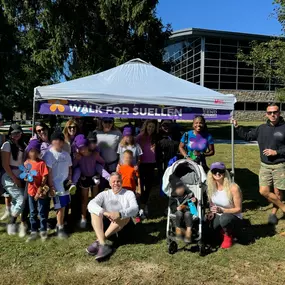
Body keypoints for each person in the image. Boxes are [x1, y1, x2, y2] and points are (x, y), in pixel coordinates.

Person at [233, 103, 285, 225]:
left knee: (278, 193)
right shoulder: (261, 128)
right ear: (266, 114)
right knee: (263, 191)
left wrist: (276, 152)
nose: (273, 115)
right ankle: (283, 207)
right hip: (265, 165)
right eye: (270, 113)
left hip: (280, 165)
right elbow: (247, 136)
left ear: (279, 113)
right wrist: (237, 127)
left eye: (275, 112)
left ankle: (273, 213)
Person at [86, 172, 138, 260]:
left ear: (122, 182)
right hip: (108, 225)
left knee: (125, 216)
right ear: (110, 183)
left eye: (118, 181)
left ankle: (98, 241)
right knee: (94, 212)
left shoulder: (129, 193)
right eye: (113, 182)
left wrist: (120, 214)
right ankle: (102, 244)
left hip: (124, 227)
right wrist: (105, 213)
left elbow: (135, 208)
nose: (116, 184)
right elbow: (90, 204)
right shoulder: (104, 194)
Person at [73, 134, 109, 229]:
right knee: (84, 199)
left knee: (95, 198)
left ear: (87, 146)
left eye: (84, 148)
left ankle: (96, 217)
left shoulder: (94, 155)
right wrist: (76, 159)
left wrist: (98, 172)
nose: (83, 150)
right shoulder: (79, 157)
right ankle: (83, 218)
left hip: (94, 178)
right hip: (84, 178)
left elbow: (102, 162)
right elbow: (74, 166)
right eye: (80, 149)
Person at [43, 131, 74, 239]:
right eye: (55, 139)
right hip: (55, 185)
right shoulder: (49, 154)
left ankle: (59, 223)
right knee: (60, 207)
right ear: (52, 141)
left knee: (64, 206)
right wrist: (51, 186)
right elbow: (49, 172)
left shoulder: (66, 154)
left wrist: (70, 179)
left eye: (61, 140)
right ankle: (59, 228)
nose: (58, 142)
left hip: (65, 185)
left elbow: (70, 168)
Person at [206, 162, 242, 249]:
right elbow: (211, 203)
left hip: (233, 216)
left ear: (225, 173)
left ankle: (228, 236)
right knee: (207, 230)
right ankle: (221, 231)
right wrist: (211, 211)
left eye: (220, 171)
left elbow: (239, 209)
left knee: (225, 218)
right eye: (214, 171)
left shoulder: (233, 188)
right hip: (218, 214)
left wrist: (223, 210)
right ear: (211, 174)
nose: (217, 174)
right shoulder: (210, 187)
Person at [1, 124, 26, 236]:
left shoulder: (22, 144)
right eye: (14, 133)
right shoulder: (7, 145)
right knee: (21, 200)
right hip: (9, 176)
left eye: (18, 133)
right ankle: (11, 223)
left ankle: (20, 223)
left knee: (19, 200)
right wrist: (14, 178)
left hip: (21, 175)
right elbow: (5, 165)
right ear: (10, 134)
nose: (16, 135)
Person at [24, 140, 50, 242]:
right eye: (31, 151)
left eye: (35, 151)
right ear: (28, 152)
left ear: (38, 152)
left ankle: (43, 230)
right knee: (32, 212)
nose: (33, 153)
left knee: (42, 212)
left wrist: (41, 187)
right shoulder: (26, 163)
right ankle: (33, 231)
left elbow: (45, 176)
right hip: (31, 191)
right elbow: (25, 176)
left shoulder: (41, 163)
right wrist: (28, 178)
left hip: (40, 192)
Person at [136, 119, 157, 218]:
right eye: (149, 126)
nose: (151, 129)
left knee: (149, 186)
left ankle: (144, 205)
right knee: (141, 187)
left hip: (151, 164)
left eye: (153, 127)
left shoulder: (155, 137)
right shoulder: (140, 137)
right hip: (141, 164)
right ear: (146, 126)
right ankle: (140, 207)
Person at [169, 174, 195, 243]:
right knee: (179, 214)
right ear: (174, 190)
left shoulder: (188, 194)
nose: (181, 190)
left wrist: (194, 200)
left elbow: (192, 204)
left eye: (182, 187)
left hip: (187, 210)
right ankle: (178, 230)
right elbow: (171, 206)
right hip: (178, 212)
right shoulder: (173, 197)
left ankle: (189, 231)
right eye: (178, 189)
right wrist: (176, 208)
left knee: (188, 214)